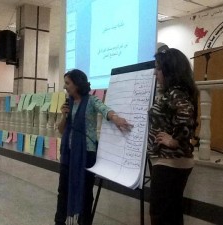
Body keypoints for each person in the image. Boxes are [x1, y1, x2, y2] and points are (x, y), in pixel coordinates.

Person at [54, 69, 132, 225]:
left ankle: (84, 222)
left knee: (85, 192)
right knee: (63, 191)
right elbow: (62, 131)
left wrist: (116, 119)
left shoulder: (91, 101)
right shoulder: (67, 103)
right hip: (68, 154)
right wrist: (64, 116)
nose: (65, 86)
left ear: (77, 84)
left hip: (86, 155)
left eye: (67, 83)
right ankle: (60, 222)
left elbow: (105, 110)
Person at [147, 48, 199, 225]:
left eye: (158, 68)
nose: (155, 73)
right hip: (171, 163)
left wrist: (174, 140)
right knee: (172, 214)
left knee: (160, 215)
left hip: (170, 163)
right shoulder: (175, 92)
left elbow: (186, 116)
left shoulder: (175, 92)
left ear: (169, 70)